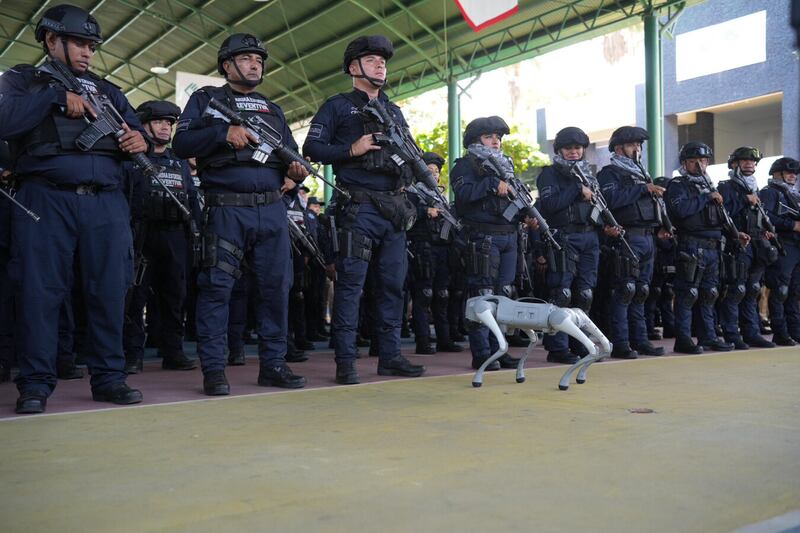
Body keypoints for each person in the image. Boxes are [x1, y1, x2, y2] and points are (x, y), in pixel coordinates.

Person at [0, 4, 147, 413]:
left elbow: (135, 129)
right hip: (46, 198)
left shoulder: (107, 90)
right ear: (51, 40)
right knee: (39, 292)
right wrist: (53, 97)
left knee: (109, 291)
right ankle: (35, 384)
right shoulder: (22, 80)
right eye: (79, 43)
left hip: (106, 201)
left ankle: (109, 378)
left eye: (91, 46)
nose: (87, 52)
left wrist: (139, 140)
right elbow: (4, 121)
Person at [173, 33, 308, 395]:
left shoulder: (272, 108)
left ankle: (274, 365)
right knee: (217, 289)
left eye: (259, 60)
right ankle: (215, 370)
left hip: (271, 210)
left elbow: (292, 155)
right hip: (226, 210)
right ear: (227, 65)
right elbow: (181, 143)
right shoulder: (205, 100)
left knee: (277, 290)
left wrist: (296, 171)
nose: (254, 64)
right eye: (246, 58)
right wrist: (222, 132)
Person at [303, 35, 425, 385]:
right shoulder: (337, 106)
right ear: (354, 68)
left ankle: (390, 357)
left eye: (383, 61)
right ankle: (345, 362)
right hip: (358, 207)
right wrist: (352, 149)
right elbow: (311, 147)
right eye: (372, 60)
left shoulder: (394, 110)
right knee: (350, 286)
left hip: (394, 208)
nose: (381, 65)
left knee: (392, 286)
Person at [451, 116, 537, 370]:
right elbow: (464, 197)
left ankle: (499, 350)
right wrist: (490, 184)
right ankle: (482, 353)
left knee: (503, 296)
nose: (496, 141)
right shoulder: (465, 166)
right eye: (489, 137)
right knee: (483, 296)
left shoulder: (505, 167)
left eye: (498, 137)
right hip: (483, 236)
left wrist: (526, 216)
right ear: (476, 139)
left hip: (509, 235)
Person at [122, 100, 200, 373]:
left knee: (175, 295)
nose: (166, 128)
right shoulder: (131, 162)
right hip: (141, 234)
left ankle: (173, 351)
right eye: (159, 122)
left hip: (175, 236)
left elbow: (192, 200)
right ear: (143, 125)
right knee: (135, 296)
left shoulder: (178, 165)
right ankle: (133, 354)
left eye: (169, 123)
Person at [664, 142, 750, 354]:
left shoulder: (710, 187)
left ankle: (708, 337)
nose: (700, 165)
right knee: (688, 293)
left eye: (703, 161)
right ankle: (683, 339)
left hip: (713, 247)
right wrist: (705, 198)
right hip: (691, 244)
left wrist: (735, 233)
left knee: (710, 293)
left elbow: (722, 218)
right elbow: (680, 211)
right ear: (685, 163)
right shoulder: (678, 185)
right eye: (694, 161)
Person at [536, 127, 608, 364]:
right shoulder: (550, 174)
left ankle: (582, 345)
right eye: (569, 148)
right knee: (562, 293)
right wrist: (576, 189)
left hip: (590, 237)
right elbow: (548, 205)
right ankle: (557, 347)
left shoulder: (589, 174)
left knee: (584, 294)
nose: (574, 152)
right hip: (565, 237)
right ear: (559, 150)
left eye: (578, 148)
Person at [597, 126, 668, 358]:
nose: (637, 149)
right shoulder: (610, 173)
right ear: (619, 148)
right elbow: (609, 200)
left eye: (639, 145)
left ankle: (641, 340)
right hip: (627, 237)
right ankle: (621, 343)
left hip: (648, 237)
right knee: (624, 291)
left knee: (641, 292)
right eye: (632, 145)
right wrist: (642, 189)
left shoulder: (641, 173)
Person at [717, 147, 777, 349]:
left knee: (752, 290)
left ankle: (751, 333)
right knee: (737, 290)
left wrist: (765, 231)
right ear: (734, 164)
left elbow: (757, 215)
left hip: (758, 243)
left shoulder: (755, 187)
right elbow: (723, 213)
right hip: (738, 243)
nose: (749, 164)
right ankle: (732, 334)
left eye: (752, 161)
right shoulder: (726, 186)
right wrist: (744, 199)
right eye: (744, 160)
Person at [407, 151, 464, 355]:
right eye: (429, 171)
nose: (434, 175)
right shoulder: (412, 193)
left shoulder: (441, 197)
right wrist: (424, 212)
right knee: (424, 294)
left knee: (442, 295)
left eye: (437, 171)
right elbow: (406, 218)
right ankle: (423, 341)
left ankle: (444, 339)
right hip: (423, 248)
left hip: (443, 250)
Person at [759, 157, 800, 346]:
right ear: (777, 173)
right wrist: (792, 224)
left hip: (796, 245)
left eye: (795, 173)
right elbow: (765, 216)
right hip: (783, 244)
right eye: (789, 172)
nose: (793, 176)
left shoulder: (794, 195)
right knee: (780, 291)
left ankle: (795, 330)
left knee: (794, 291)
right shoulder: (770, 192)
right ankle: (780, 332)